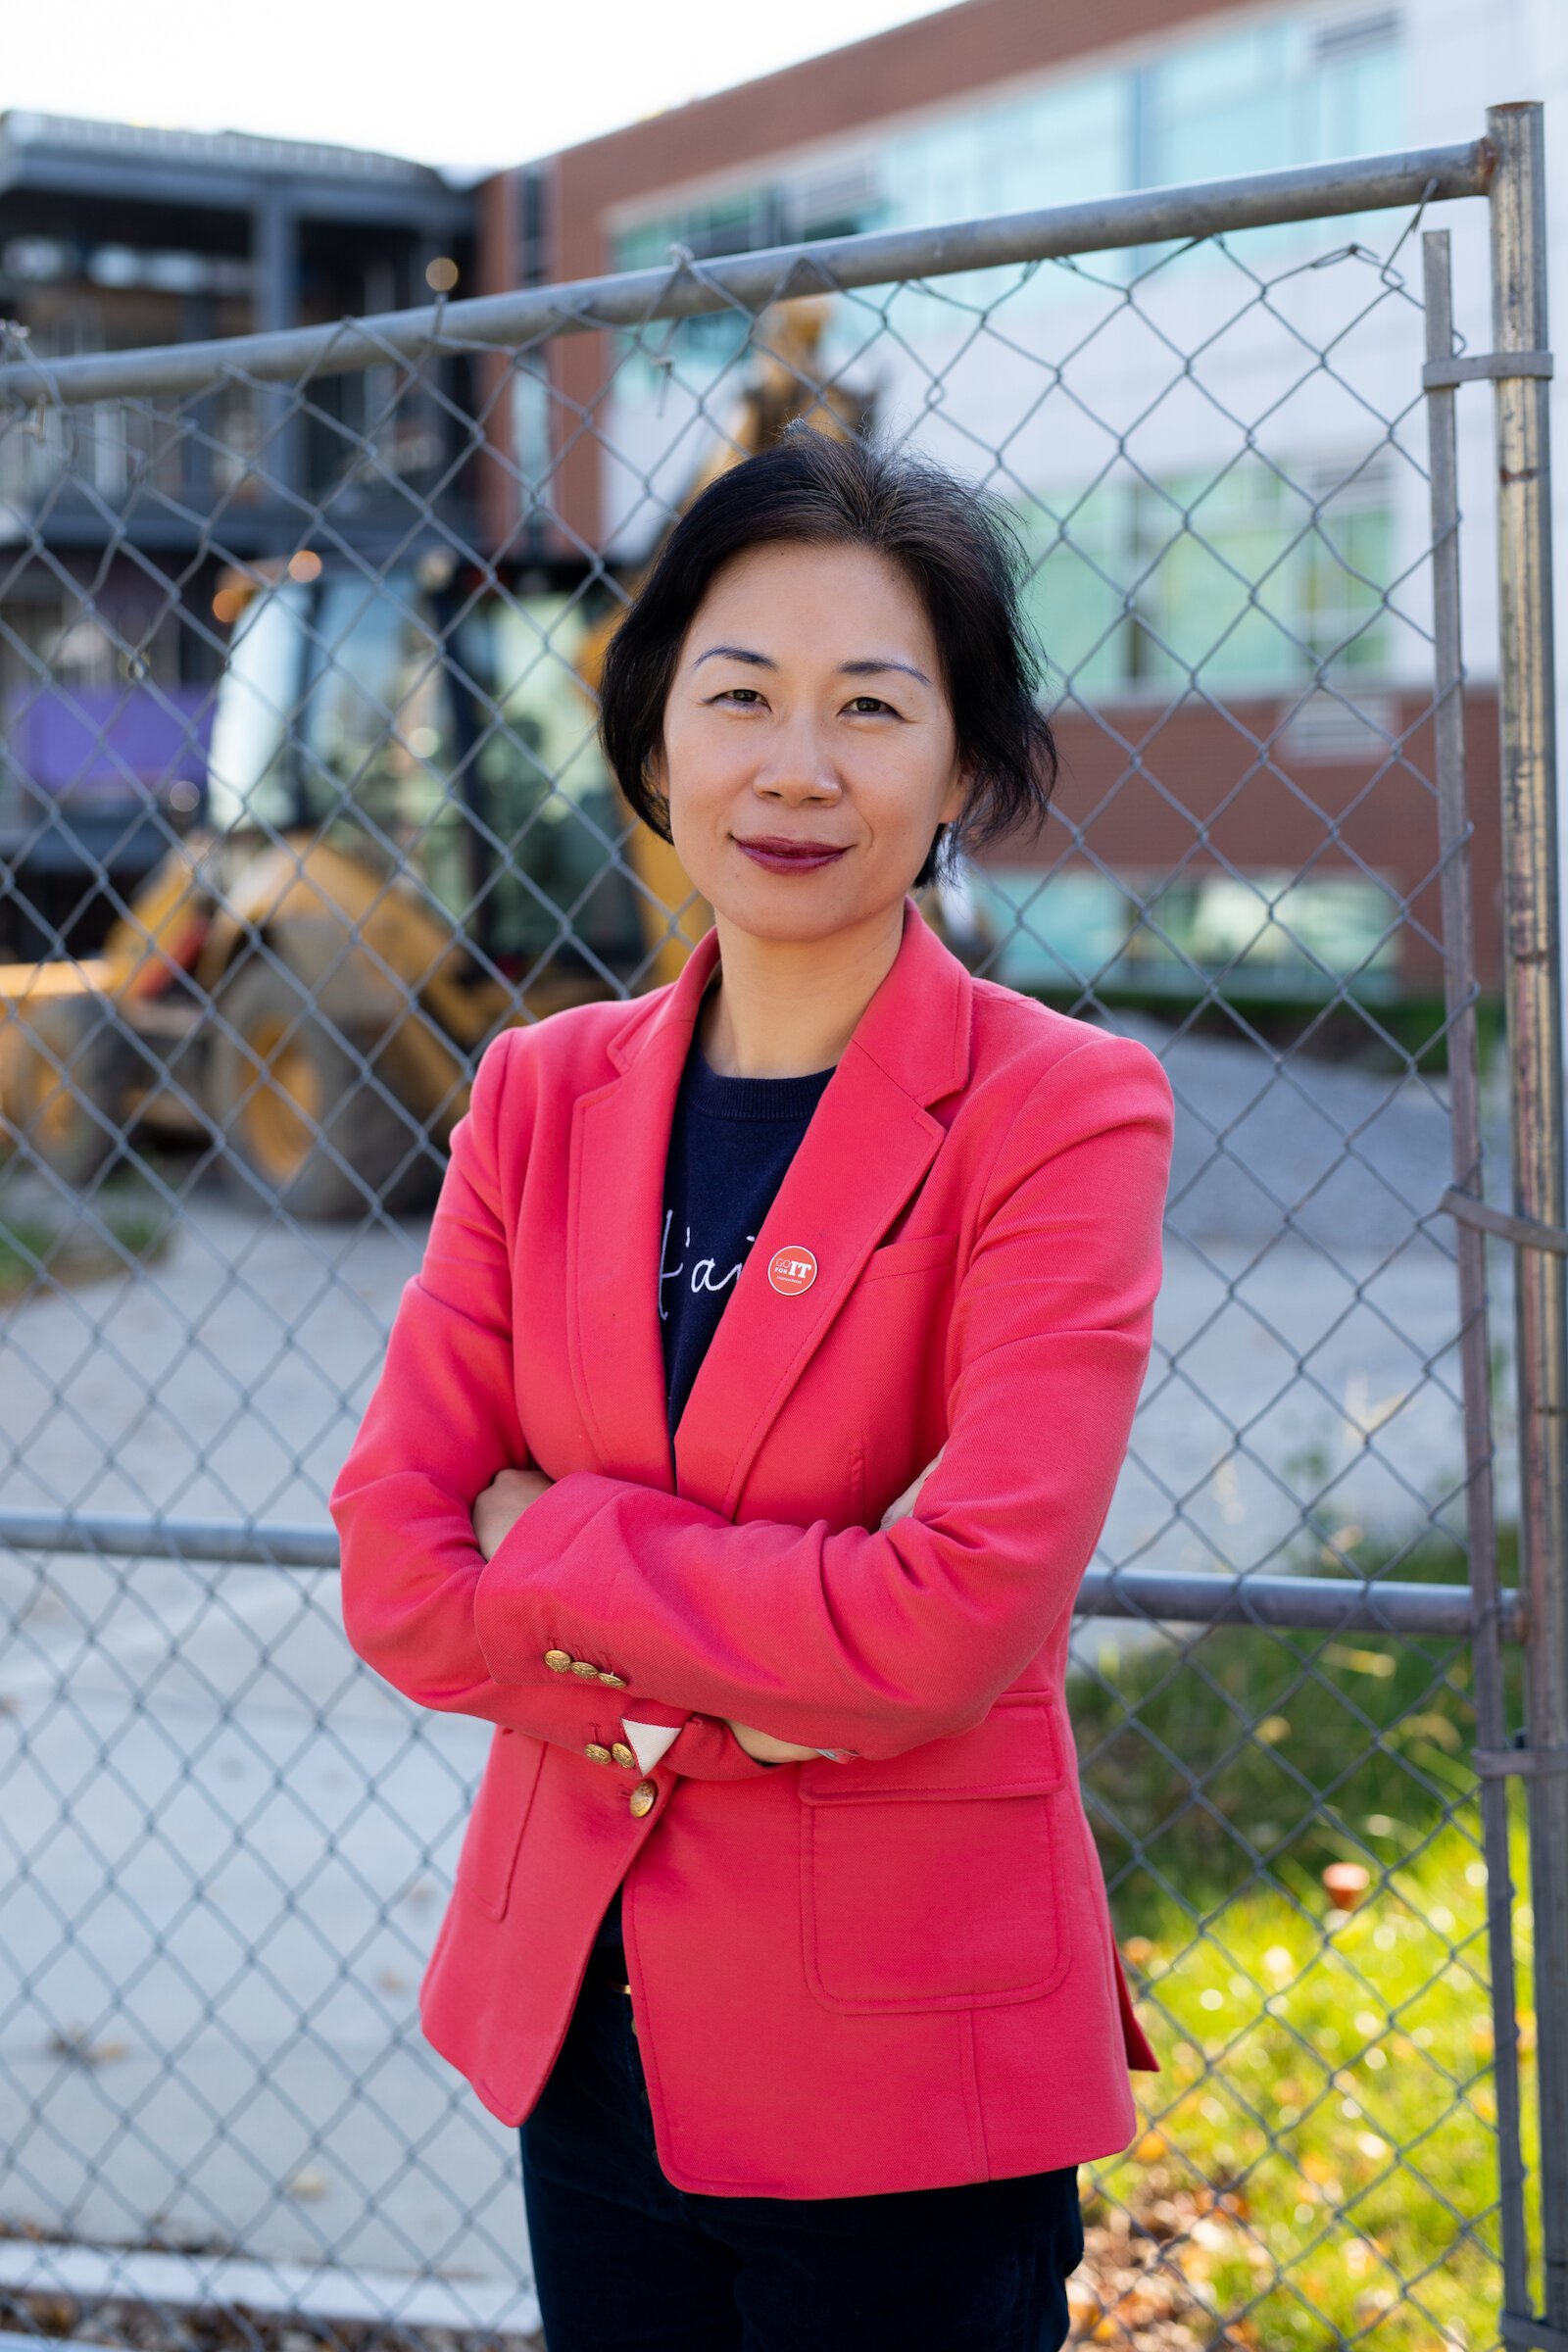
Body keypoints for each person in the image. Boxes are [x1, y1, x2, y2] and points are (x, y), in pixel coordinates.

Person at [329, 424, 1175, 2352]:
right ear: (653, 737)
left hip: (901, 2078)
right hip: (586, 2032)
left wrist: (562, 1550)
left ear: (961, 763)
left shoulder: (1058, 1114)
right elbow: (392, 1566)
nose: (795, 767)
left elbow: (950, 1619)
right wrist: (773, 1657)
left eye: (870, 708)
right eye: (739, 697)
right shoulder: (538, 1098)